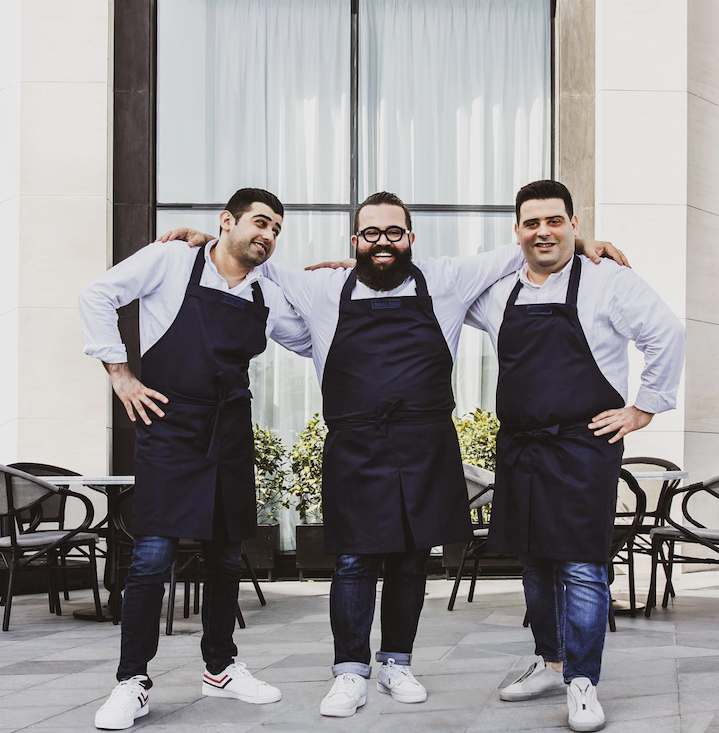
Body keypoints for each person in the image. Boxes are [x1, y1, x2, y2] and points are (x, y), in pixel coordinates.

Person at [162, 191, 625, 719]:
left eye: (394, 232)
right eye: (371, 233)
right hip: (355, 444)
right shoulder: (321, 287)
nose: (383, 242)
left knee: (411, 559)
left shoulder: (446, 279)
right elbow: (253, 262)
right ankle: (349, 671)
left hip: (426, 443)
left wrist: (579, 242)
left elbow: (524, 248)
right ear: (355, 240)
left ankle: (396, 663)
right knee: (353, 560)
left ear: (410, 237)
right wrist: (213, 239)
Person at [80, 188, 312, 731]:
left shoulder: (266, 293)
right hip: (169, 423)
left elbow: (307, 339)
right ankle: (132, 681)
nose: (269, 235)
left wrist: (344, 282)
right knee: (152, 557)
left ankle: (221, 668)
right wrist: (120, 373)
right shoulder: (172, 259)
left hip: (229, 427)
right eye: (261, 223)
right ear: (227, 220)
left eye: (277, 229)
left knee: (226, 556)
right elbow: (97, 295)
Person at [465, 179, 685, 733]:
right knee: (534, 561)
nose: (543, 232)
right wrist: (355, 267)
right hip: (521, 445)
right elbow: (431, 288)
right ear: (517, 230)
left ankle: (583, 681)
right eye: (532, 223)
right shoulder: (498, 291)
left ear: (574, 224)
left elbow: (666, 334)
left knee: (582, 566)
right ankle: (552, 663)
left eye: (555, 221)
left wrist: (643, 409)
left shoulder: (609, 280)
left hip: (584, 444)